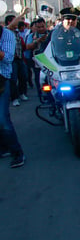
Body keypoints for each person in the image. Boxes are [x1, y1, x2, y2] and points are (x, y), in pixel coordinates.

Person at [0, 21, 26, 168]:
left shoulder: (6, 34)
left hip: (1, 81)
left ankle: (17, 153)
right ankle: (3, 148)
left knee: (3, 120)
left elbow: (8, 58)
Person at [25, 17, 49, 100]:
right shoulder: (31, 36)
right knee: (39, 79)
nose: (41, 29)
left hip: (50, 61)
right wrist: (37, 41)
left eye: (43, 26)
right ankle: (41, 96)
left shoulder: (51, 34)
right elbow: (27, 46)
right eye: (39, 27)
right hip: (38, 62)